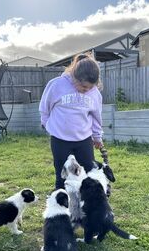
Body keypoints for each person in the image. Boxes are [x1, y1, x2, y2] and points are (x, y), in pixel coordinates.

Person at [39, 53, 103, 189]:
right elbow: (45, 109)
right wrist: (47, 125)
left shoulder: (95, 93)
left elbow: (96, 117)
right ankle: (62, 207)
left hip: (84, 140)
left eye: (90, 88)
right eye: (84, 86)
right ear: (74, 76)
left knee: (88, 174)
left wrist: (97, 137)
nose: (86, 90)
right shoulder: (56, 85)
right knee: (62, 175)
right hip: (60, 140)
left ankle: (86, 205)